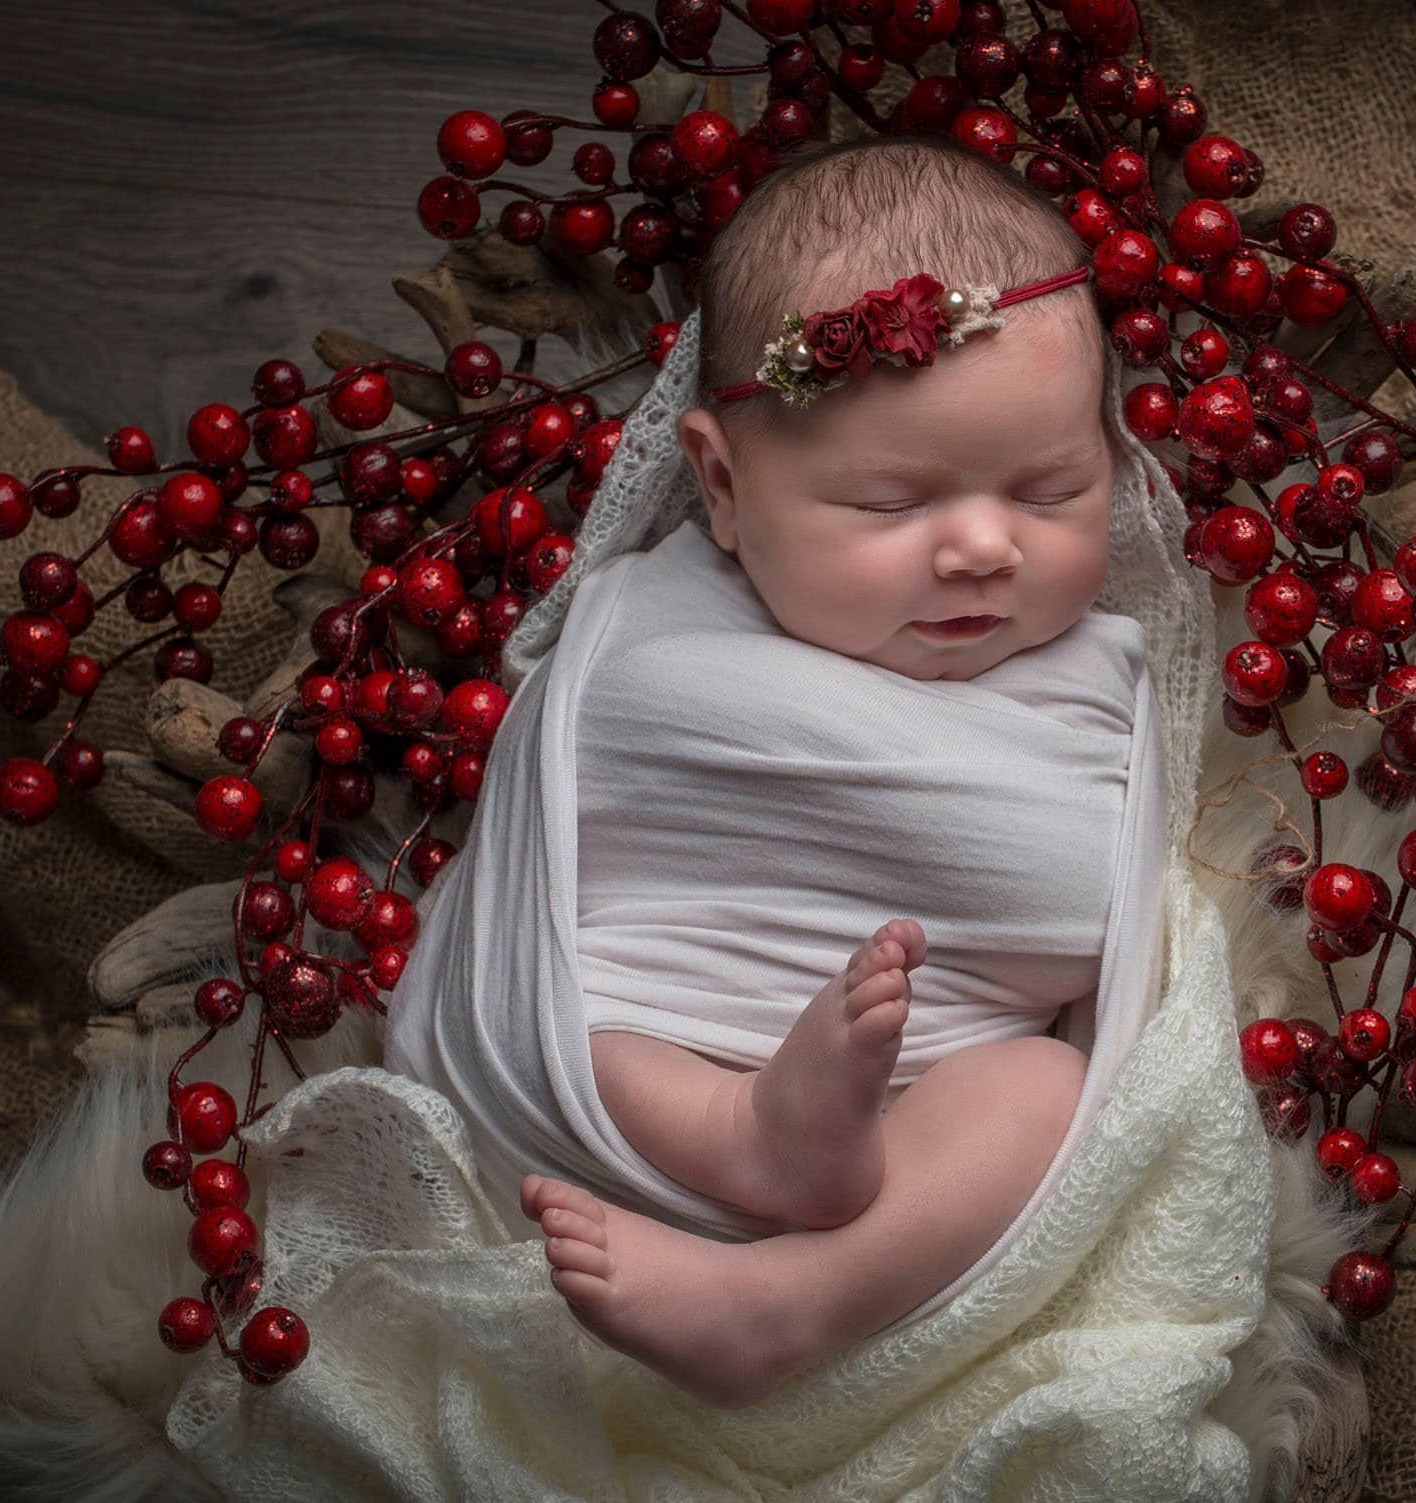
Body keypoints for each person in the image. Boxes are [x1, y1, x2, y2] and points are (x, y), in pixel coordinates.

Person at [423, 133, 1157, 1410]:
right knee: (573, 1023)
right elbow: (576, 806)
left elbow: (1087, 919)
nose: (983, 548)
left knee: (1042, 1089)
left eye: (1051, 490)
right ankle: (750, 1139)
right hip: (632, 1050)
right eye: (889, 505)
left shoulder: (1097, 670)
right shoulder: (655, 627)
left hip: (924, 1109)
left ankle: (787, 1301)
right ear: (720, 482)